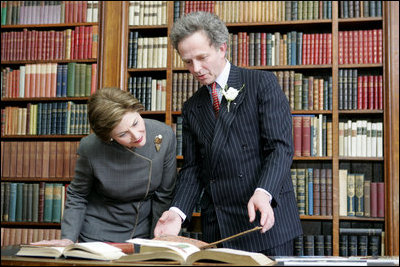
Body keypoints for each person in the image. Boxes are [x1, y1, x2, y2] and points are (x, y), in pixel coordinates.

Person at [154, 12, 302, 256]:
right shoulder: (192, 106)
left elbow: (280, 148)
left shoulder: (260, 83)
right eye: (188, 62)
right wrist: (177, 213)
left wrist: (263, 192)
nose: (196, 69)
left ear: (222, 48)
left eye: (202, 58)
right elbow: (193, 169)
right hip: (219, 226)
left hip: (263, 219)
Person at [32, 87, 177, 246]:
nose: (136, 135)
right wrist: (68, 238)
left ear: (137, 110)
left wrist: (158, 241)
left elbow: (164, 195)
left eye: (135, 123)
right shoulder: (90, 147)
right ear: (108, 138)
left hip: (143, 230)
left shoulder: (163, 134)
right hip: (97, 234)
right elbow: (78, 195)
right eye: (123, 134)